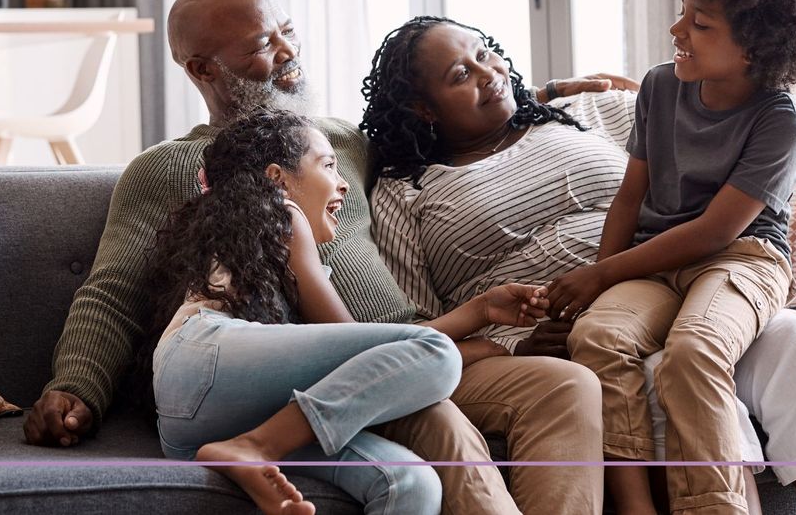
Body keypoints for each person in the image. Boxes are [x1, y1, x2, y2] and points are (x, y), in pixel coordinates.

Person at [26, 0, 612, 515]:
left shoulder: (340, 141)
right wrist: (75, 385)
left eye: (289, 32)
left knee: (565, 384)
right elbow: (111, 294)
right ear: (203, 69)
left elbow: (422, 113)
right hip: (306, 374)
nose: (288, 53)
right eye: (262, 44)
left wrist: (547, 93)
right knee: (438, 417)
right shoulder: (165, 169)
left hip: (407, 345)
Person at [361, 18, 796, 511]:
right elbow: (415, 335)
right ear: (422, 108)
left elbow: (681, 105)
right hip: (573, 331)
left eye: (485, 53)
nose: (488, 73)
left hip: (684, 281)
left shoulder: (584, 116)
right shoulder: (404, 190)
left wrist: (552, 92)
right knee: (669, 380)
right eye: (461, 75)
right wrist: (513, 344)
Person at [545, 0, 796, 515]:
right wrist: (602, 286)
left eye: (700, 24)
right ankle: (636, 506)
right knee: (598, 337)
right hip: (653, 263)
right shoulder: (658, 86)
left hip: (742, 259)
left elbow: (714, 230)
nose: (678, 31)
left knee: (693, 353)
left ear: (757, 48)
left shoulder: (781, 121)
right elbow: (631, 198)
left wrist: (601, 273)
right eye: (683, 12)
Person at [147, 109, 551, 514]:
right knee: (437, 353)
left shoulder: (255, 247)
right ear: (277, 178)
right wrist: (479, 338)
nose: (342, 185)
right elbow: (362, 343)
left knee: (408, 481)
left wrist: (482, 312)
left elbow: (373, 364)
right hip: (203, 356)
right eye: (327, 166)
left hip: (197, 425)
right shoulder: (285, 215)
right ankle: (254, 447)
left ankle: (252, 444)